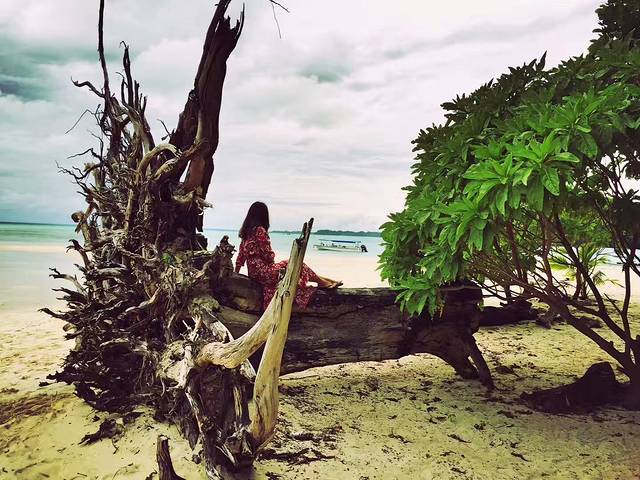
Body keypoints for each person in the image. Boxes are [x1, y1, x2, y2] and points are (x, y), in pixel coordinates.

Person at [235, 202, 342, 310]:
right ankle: (323, 282)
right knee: (296, 264)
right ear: (263, 216)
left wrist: (235, 275)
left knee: (292, 265)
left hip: (254, 275)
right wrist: (271, 262)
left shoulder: (246, 233)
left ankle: (326, 281)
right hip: (264, 273)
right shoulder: (260, 230)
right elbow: (268, 254)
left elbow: (240, 258)